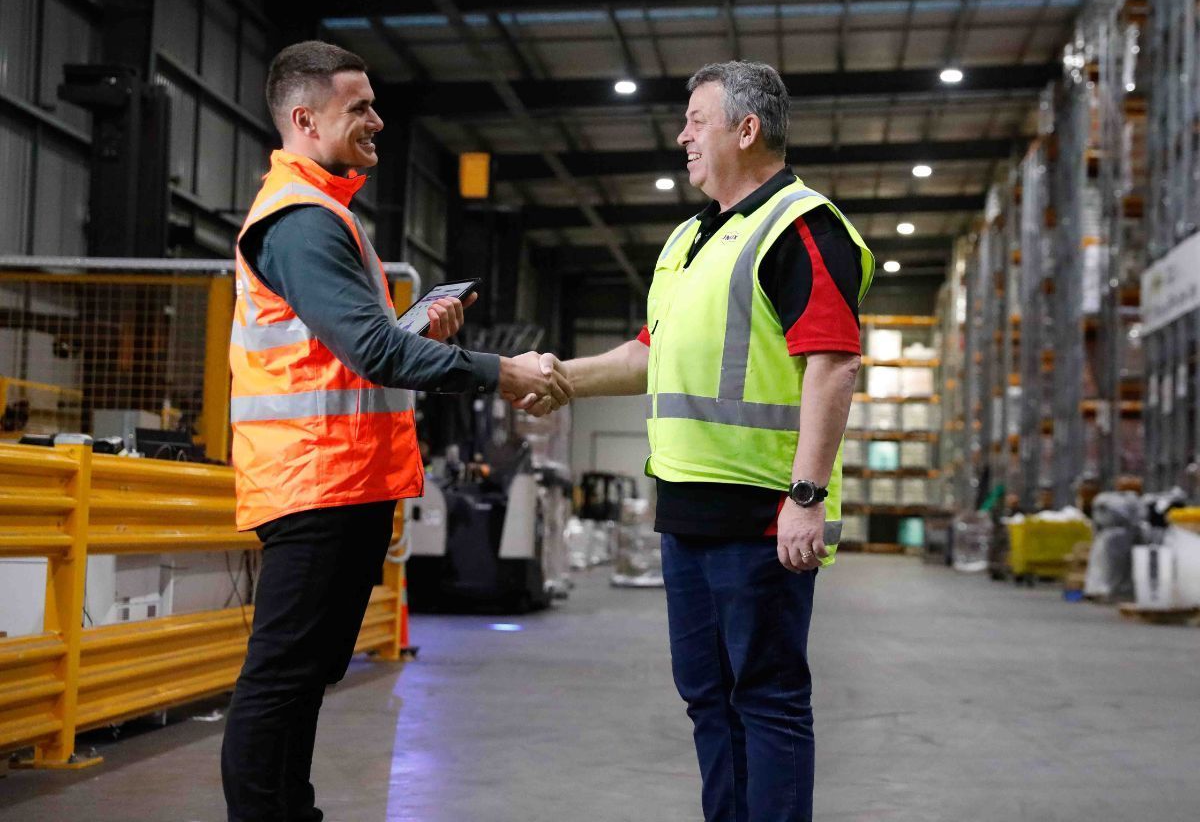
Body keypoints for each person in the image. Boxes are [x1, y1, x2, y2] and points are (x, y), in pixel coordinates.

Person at [221, 40, 570, 822]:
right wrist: (500, 372)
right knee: (280, 679)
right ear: (305, 119)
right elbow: (373, 352)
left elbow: (349, 353)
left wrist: (424, 333)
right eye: (360, 107)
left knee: (303, 677)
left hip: (340, 482)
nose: (378, 120)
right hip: (315, 484)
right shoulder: (302, 221)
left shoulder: (326, 215)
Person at [532, 61, 874, 821]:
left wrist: (807, 499)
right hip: (686, 514)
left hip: (761, 517)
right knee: (708, 701)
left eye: (696, 120)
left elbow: (834, 361)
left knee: (768, 701)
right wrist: (558, 378)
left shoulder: (802, 226)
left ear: (746, 130)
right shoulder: (690, 240)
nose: (682, 136)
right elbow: (647, 356)